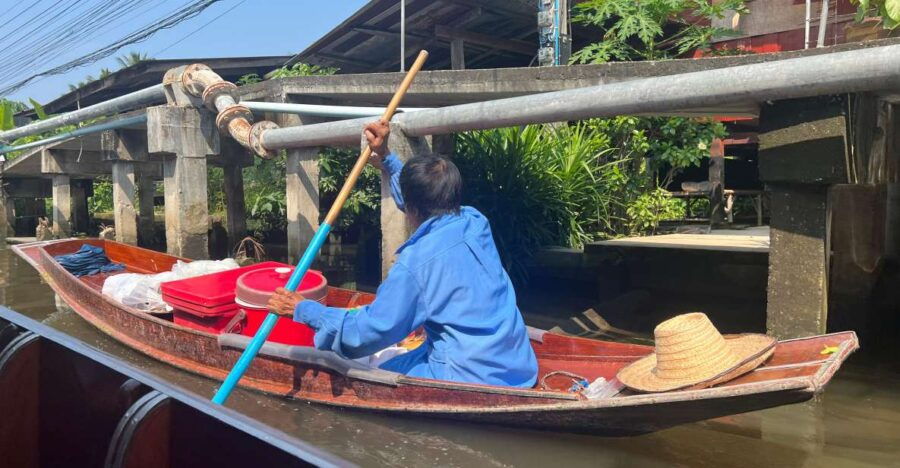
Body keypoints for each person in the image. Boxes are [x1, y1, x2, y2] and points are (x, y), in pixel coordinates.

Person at [267, 121, 538, 388]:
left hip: (467, 376)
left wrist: (305, 310)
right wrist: (386, 157)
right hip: (519, 365)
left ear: (411, 207)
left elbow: (371, 331)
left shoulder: (415, 263)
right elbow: (419, 201)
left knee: (369, 378)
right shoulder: (476, 222)